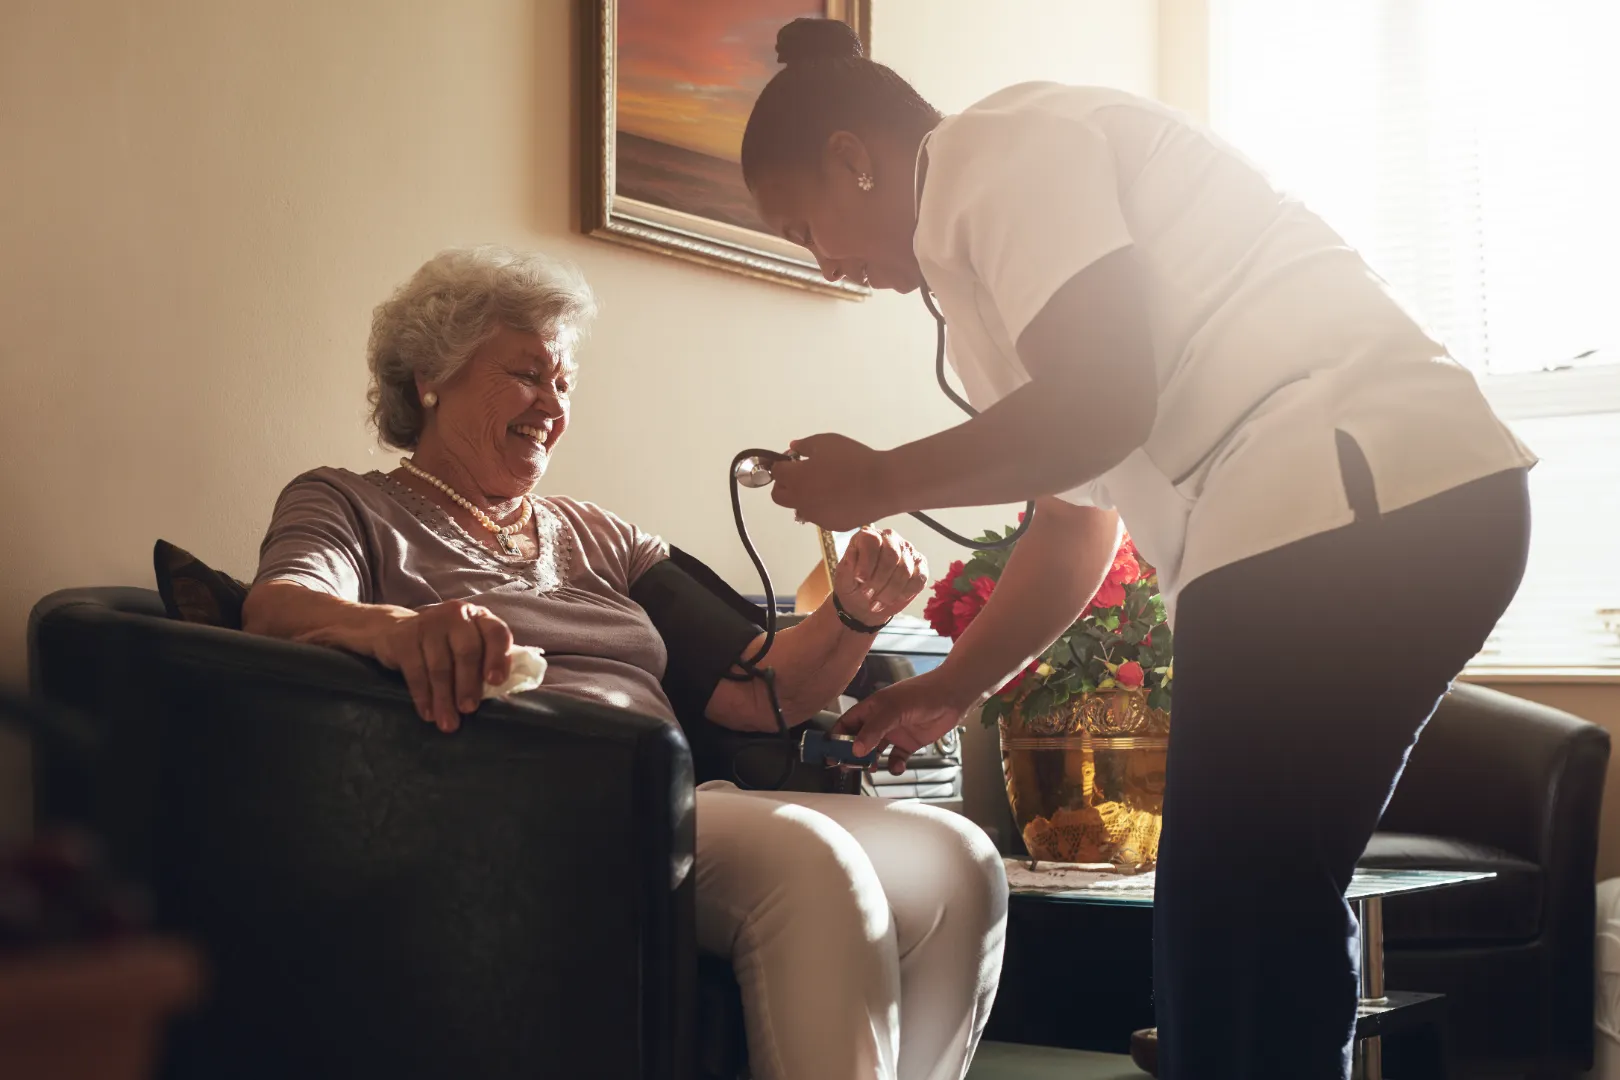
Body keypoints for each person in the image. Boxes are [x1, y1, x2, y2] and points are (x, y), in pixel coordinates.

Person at [741, 18, 1536, 1080]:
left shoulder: (999, 148)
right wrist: (954, 690)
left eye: (805, 228)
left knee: (1232, 927)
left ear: (855, 157)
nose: (828, 263)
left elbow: (1107, 403)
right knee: (1249, 917)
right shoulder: (981, 277)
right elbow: (1077, 523)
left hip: (1346, 493)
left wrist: (881, 476)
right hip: (1386, 507)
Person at [240, 246, 1008, 1080]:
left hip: (664, 797)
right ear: (432, 375)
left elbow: (757, 693)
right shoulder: (350, 502)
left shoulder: (603, 536)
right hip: (507, 806)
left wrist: (855, 614)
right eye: (529, 373)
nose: (552, 404)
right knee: (810, 861)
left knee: (957, 861)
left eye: (564, 382)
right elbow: (277, 608)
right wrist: (401, 628)